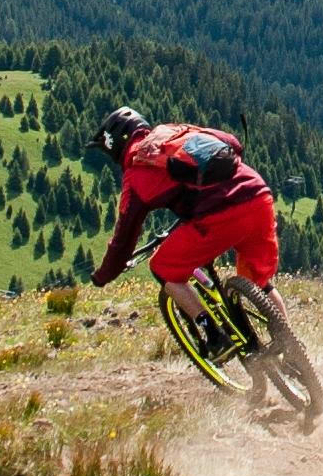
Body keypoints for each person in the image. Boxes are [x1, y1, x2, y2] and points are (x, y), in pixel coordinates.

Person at [87, 104, 281, 320]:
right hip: (259, 194)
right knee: (259, 282)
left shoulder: (137, 170)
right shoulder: (174, 131)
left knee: (162, 266)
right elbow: (233, 143)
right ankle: (290, 344)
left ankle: (214, 338)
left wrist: (103, 276)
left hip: (220, 213)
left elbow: (123, 240)